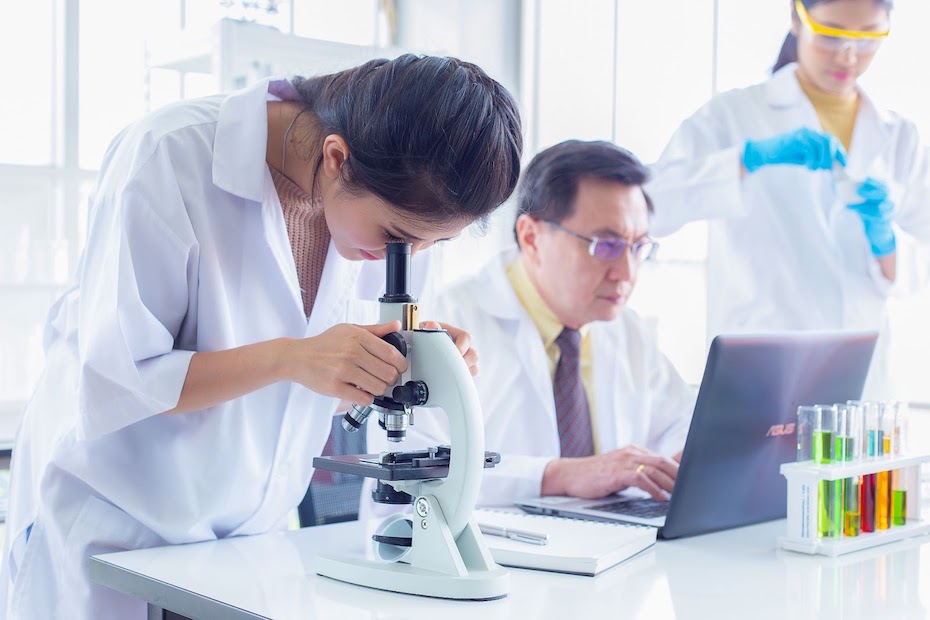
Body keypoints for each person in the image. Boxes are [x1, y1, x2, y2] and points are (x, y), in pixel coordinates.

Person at [0, 54, 522, 618]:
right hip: (121, 534)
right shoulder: (170, 154)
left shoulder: (380, 207)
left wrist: (409, 365)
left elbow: (329, 378)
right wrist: (292, 359)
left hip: (252, 547)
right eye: (397, 235)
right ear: (337, 157)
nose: (408, 256)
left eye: (432, 243)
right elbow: (119, 379)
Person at [372, 140, 695, 508]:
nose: (627, 272)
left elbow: (680, 423)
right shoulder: (445, 326)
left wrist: (687, 457)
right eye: (606, 246)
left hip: (612, 546)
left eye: (638, 247)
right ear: (531, 237)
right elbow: (406, 463)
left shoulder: (628, 331)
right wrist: (560, 476)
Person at [647, 0, 930, 400]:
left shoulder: (901, 137)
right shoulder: (733, 115)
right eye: (831, 34)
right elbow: (648, 207)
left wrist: (887, 243)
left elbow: (923, 258)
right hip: (762, 375)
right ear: (797, 19)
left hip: (862, 383)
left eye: (868, 37)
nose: (849, 55)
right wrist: (743, 161)